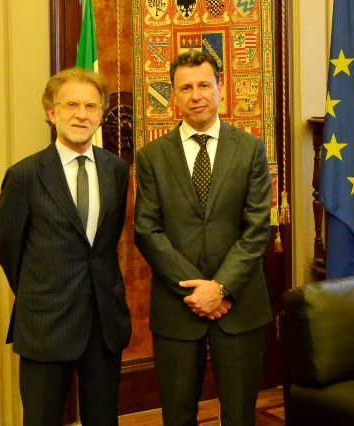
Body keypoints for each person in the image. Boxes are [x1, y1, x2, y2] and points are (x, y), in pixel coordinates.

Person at [134, 50, 273, 425]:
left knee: (240, 415)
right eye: (186, 88)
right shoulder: (151, 157)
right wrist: (199, 291)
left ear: (220, 88)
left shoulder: (250, 149)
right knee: (178, 414)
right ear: (174, 96)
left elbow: (257, 227)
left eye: (204, 85)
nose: (196, 95)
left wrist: (221, 287)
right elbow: (147, 230)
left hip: (240, 305)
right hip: (178, 307)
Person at [0, 67, 131, 426]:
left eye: (91, 106)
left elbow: (106, 241)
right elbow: (5, 245)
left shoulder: (116, 170)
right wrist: (41, 290)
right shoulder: (25, 175)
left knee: (104, 419)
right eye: (71, 105)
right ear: (52, 113)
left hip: (103, 323)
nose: (81, 114)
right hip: (45, 322)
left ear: (101, 115)